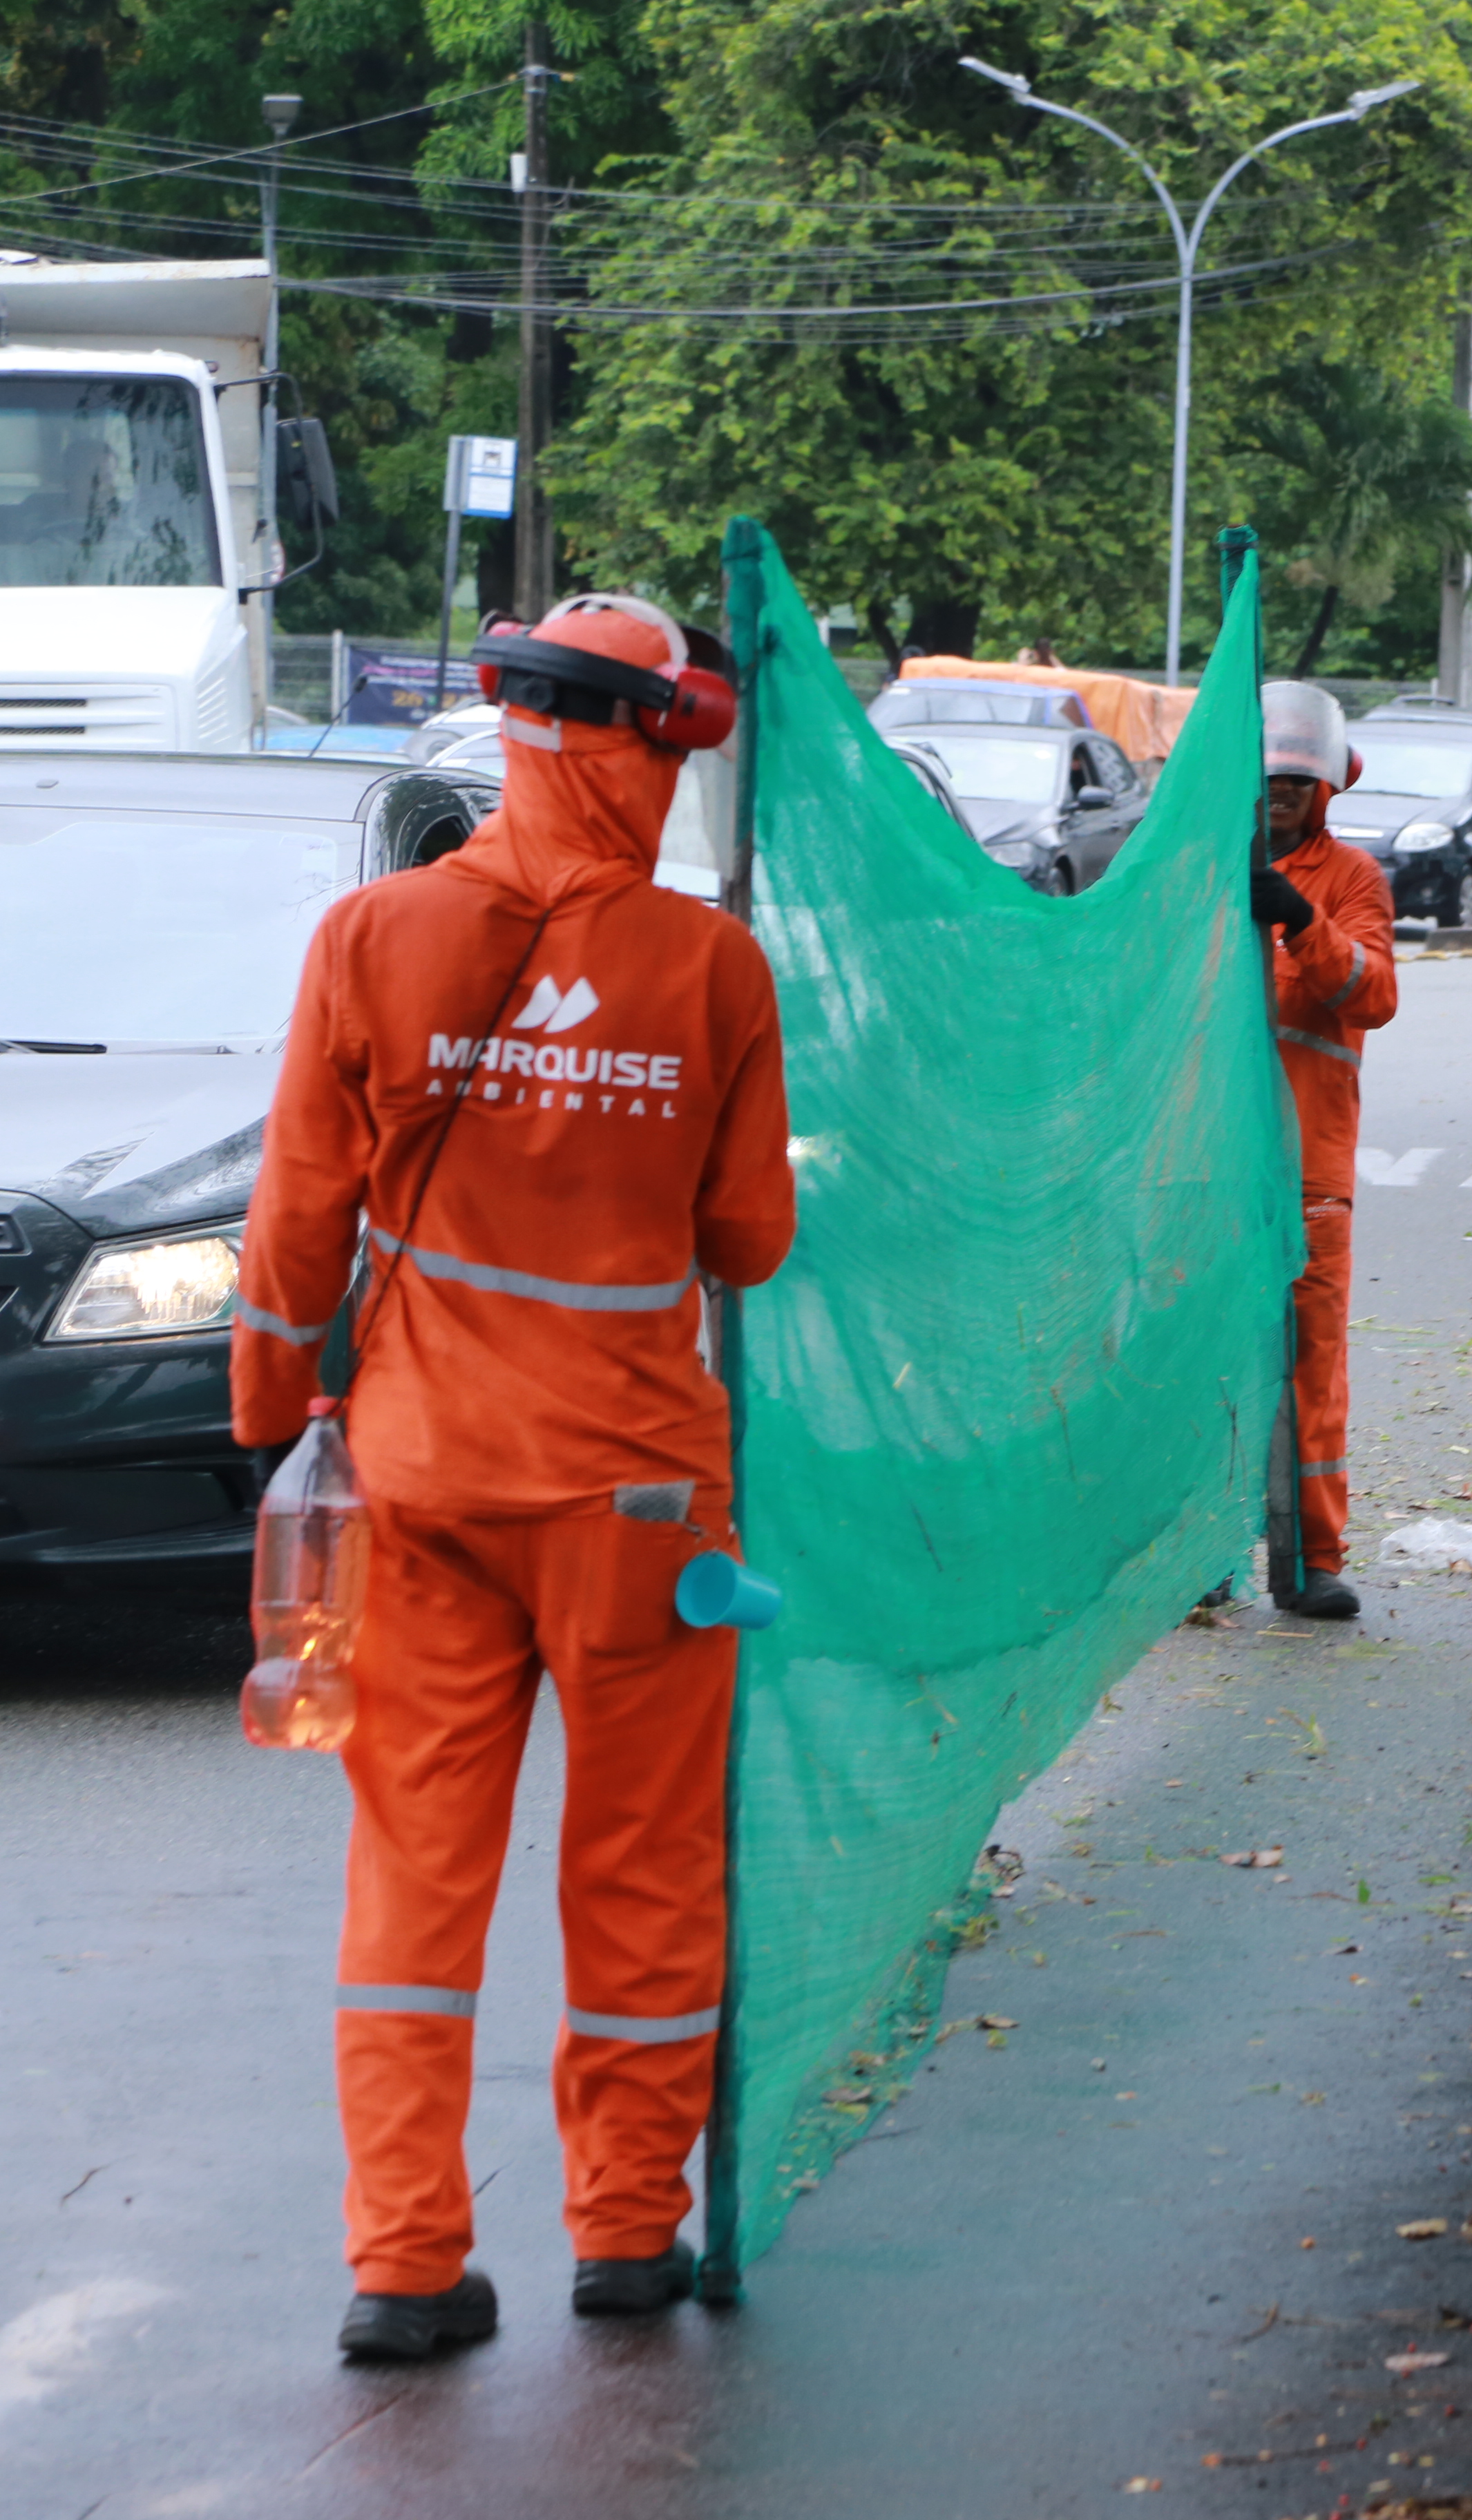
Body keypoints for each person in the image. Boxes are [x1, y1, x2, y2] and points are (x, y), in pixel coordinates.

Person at [229, 592, 796, 2362]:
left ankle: (403, 2262)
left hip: (416, 1485)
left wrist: (270, 1413)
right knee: (636, 1867)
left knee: (414, 1876)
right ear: (651, 746)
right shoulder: (710, 969)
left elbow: (297, 1221)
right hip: (635, 1507)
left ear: (514, 728)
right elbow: (750, 1240)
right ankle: (627, 2233)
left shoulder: (371, 934)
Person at [1248, 678, 1399, 1619]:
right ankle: (1196, 1560)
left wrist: (1301, 923)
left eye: (1299, 783)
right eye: (1270, 779)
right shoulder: (1199, 872)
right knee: (1203, 1363)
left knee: (1309, 1371)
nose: (1282, 795)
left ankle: (1311, 1559)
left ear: (1328, 788)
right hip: (1205, 1168)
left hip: (1308, 1173)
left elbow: (1374, 994)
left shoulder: (1351, 882)